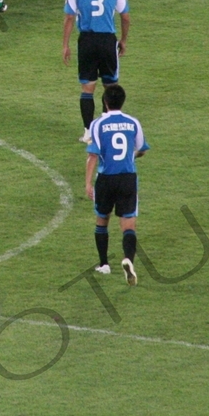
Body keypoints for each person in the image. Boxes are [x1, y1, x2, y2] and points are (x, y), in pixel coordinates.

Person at [84, 84, 148, 285]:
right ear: (123, 101)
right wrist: (130, 157)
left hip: (106, 178)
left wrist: (87, 183)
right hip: (128, 177)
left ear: (104, 102)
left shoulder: (97, 124)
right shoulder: (133, 122)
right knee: (128, 225)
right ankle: (128, 259)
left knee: (102, 220)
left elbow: (93, 155)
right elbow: (142, 149)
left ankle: (104, 264)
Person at [63, 0, 130, 129]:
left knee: (87, 89)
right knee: (110, 86)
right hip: (108, 40)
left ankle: (88, 132)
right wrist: (123, 40)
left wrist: (65, 45)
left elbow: (69, 17)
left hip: (86, 40)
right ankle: (105, 127)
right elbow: (125, 16)